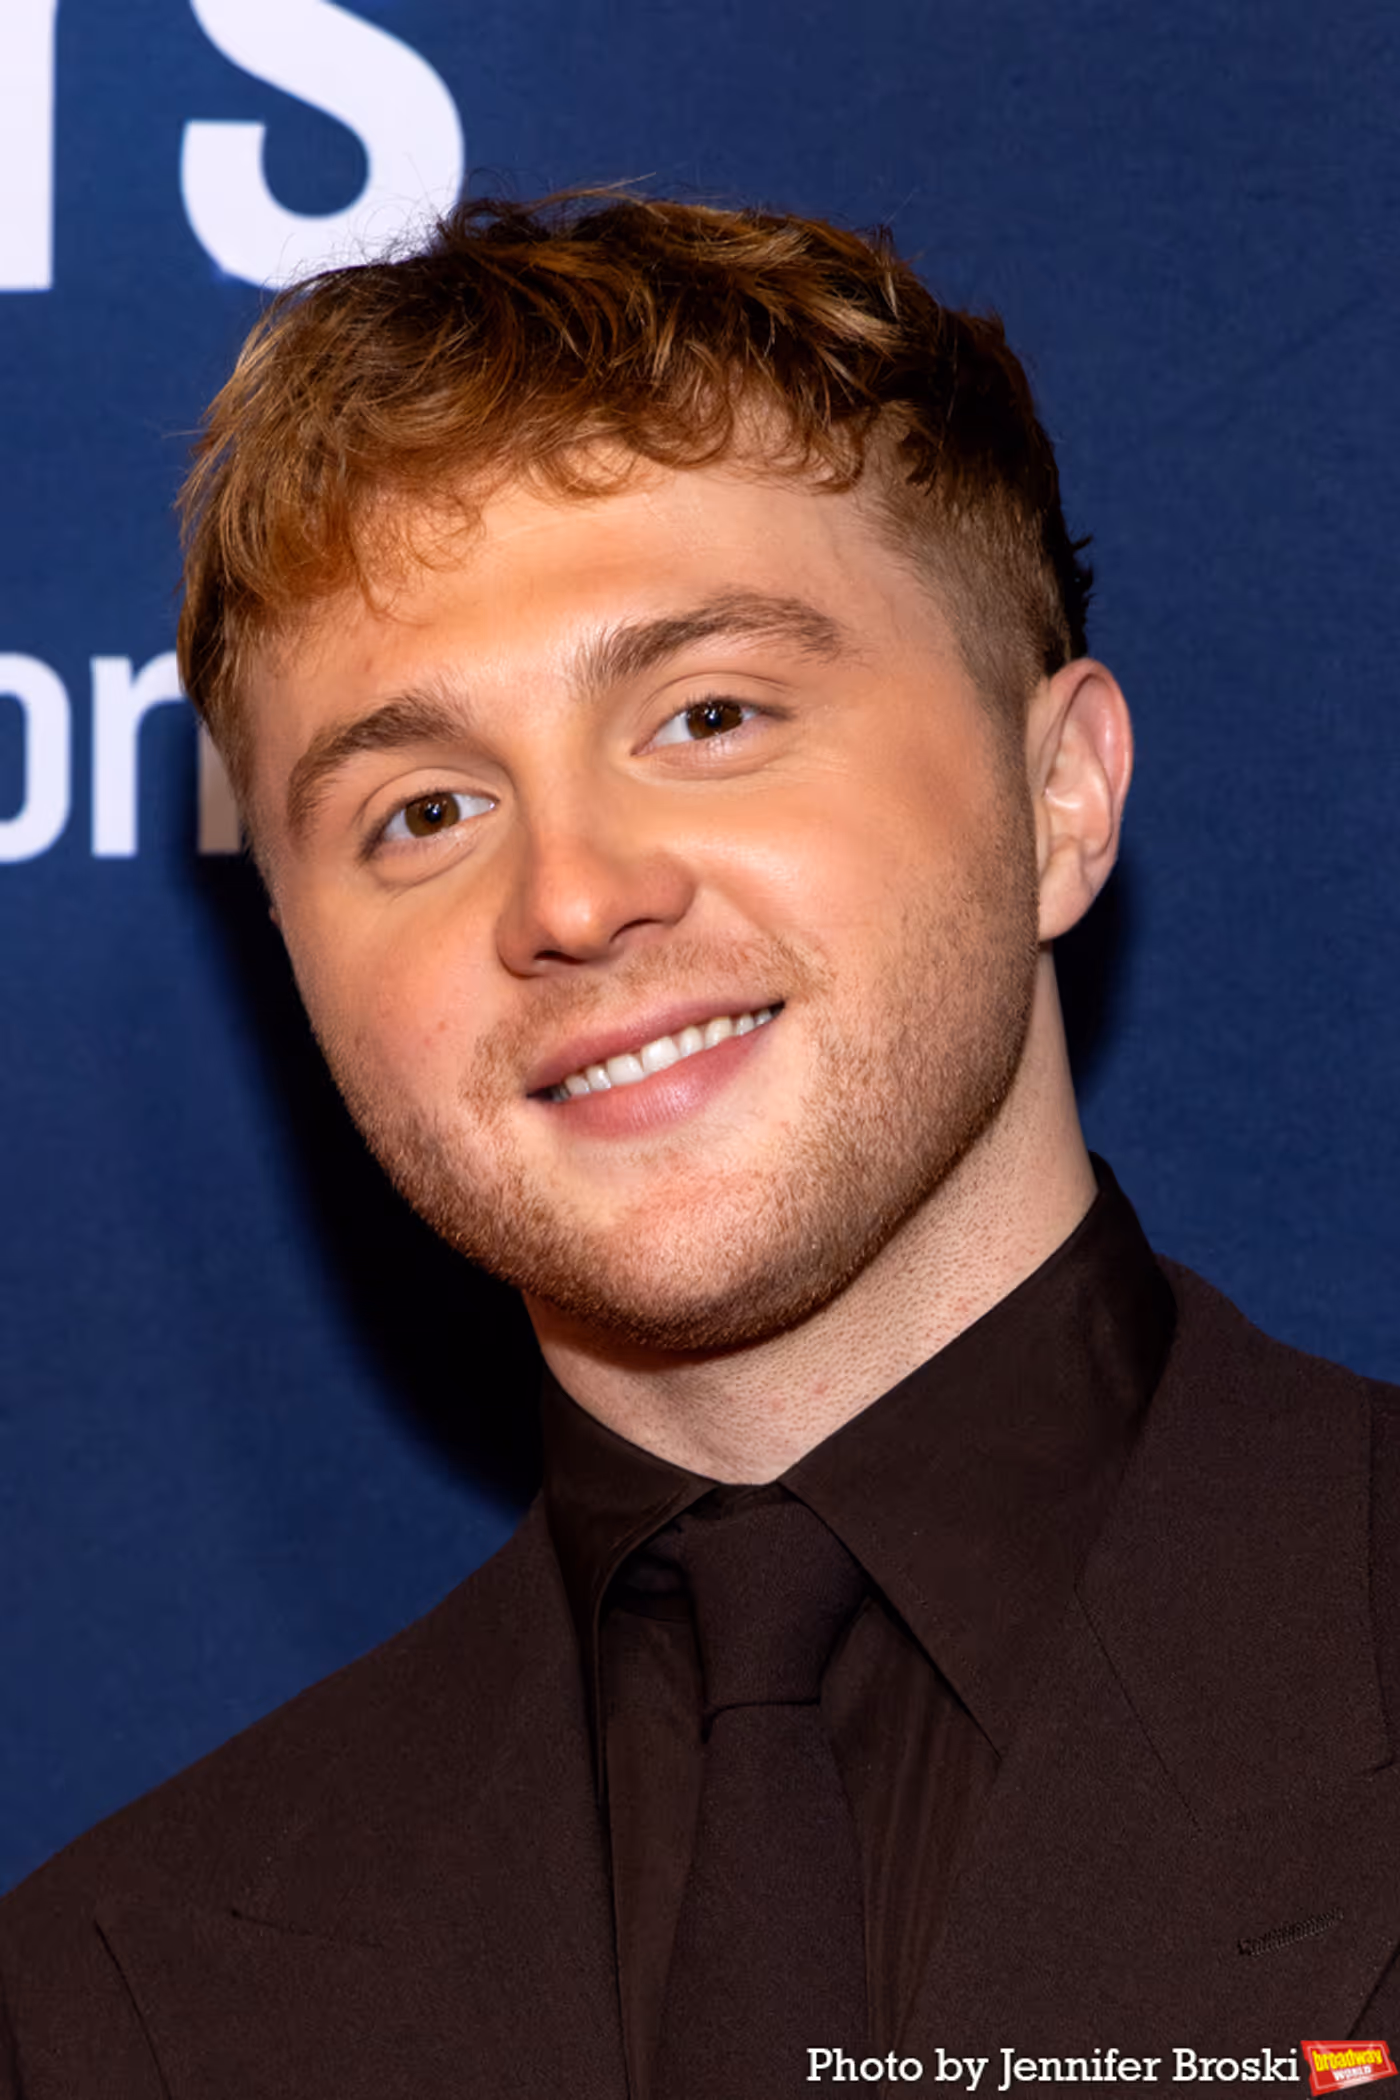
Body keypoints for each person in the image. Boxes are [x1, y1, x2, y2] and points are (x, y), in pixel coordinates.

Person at [2, 191, 1398, 2100]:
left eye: (709, 713)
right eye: (420, 812)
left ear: (1060, 794)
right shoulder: (107, 2004)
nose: (570, 896)